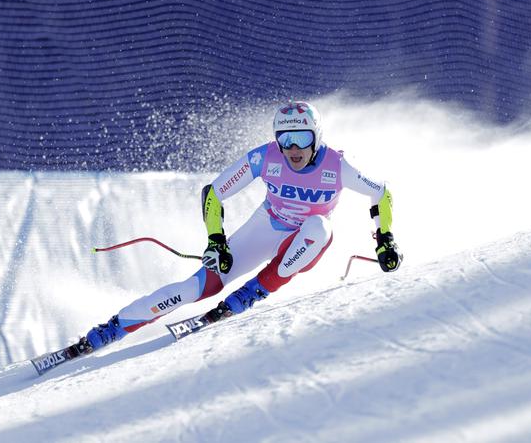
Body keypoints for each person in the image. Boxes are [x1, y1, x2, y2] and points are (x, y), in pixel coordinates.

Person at [82, 101, 403, 351]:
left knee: (318, 226)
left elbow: (381, 193)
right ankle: (112, 328)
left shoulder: (337, 166)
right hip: (266, 227)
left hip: (306, 241)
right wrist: (216, 241)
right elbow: (214, 194)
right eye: (285, 139)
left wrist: (385, 239)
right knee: (196, 288)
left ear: (317, 137)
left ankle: (253, 292)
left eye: (301, 139)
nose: (293, 149)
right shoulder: (265, 157)